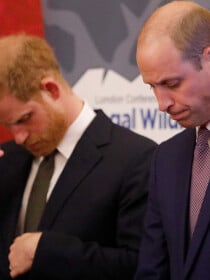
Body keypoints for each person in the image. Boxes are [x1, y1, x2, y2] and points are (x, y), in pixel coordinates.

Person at [0, 33, 157, 280]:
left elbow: (140, 265)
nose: (18, 137)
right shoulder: (8, 160)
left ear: (51, 89)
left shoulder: (135, 158)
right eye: (8, 126)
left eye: (24, 119)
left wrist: (47, 251)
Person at [134, 1, 210, 280]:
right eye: (152, 87)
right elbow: (152, 268)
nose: (161, 104)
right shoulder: (166, 158)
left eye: (172, 84)